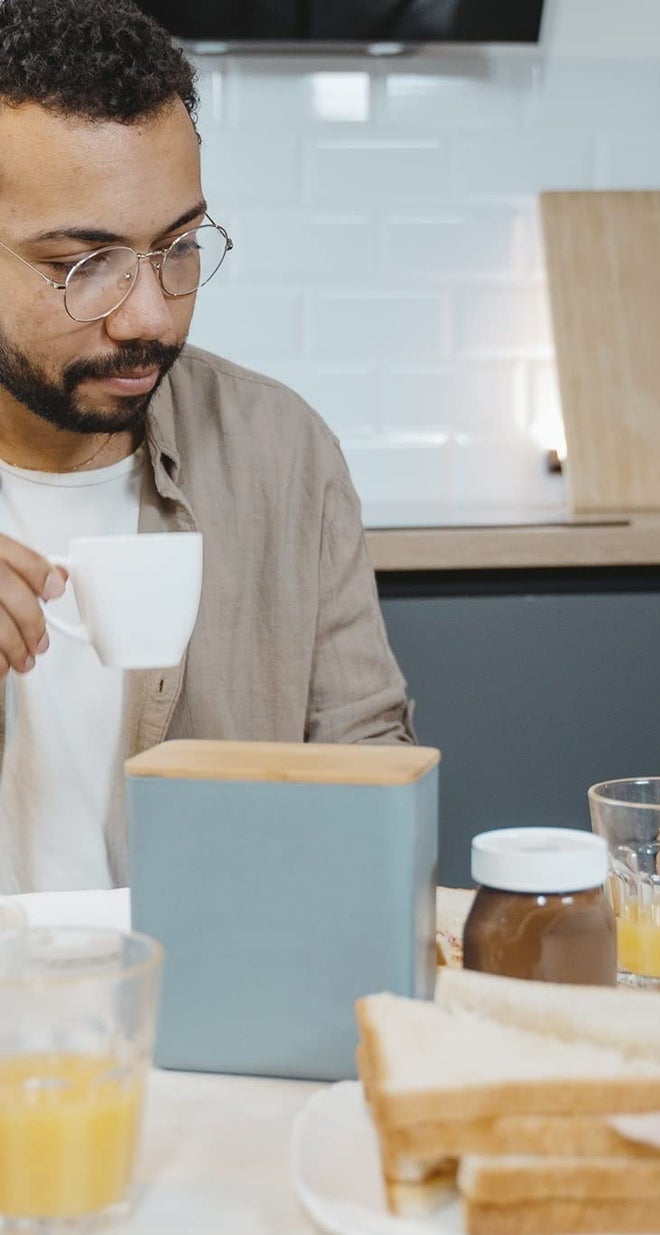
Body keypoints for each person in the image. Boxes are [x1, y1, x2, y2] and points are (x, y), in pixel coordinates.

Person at [0, 0, 413, 893]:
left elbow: (369, 789)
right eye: (84, 264)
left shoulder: (281, 454)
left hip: (206, 1013)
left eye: (178, 247)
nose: (151, 315)